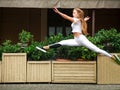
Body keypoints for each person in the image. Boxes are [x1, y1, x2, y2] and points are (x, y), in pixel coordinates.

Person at [36, 7, 120, 63]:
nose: (73, 13)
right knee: (62, 42)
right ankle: (45, 48)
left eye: (74, 12)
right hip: (76, 40)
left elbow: (66, 17)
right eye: (73, 12)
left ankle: (112, 56)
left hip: (81, 39)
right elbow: (81, 21)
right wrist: (85, 20)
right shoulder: (79, 20)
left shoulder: (76, 19)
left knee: (96, 50)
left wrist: (58, 12)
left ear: (78, 14)